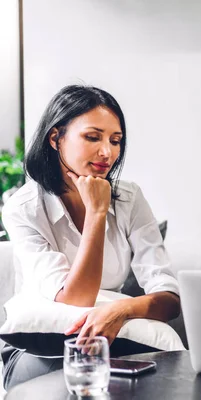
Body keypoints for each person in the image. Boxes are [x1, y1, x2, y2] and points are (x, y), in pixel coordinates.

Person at [1, 85, 180, 389]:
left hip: (112, 341)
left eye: (115, 140)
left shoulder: (129, 198)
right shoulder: (24, 207)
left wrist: (121, 310)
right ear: (56, 138)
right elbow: (77, 298)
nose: (107, 152)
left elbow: (169, 298)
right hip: (38, 348)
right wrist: (97, 213)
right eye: (92, 137)